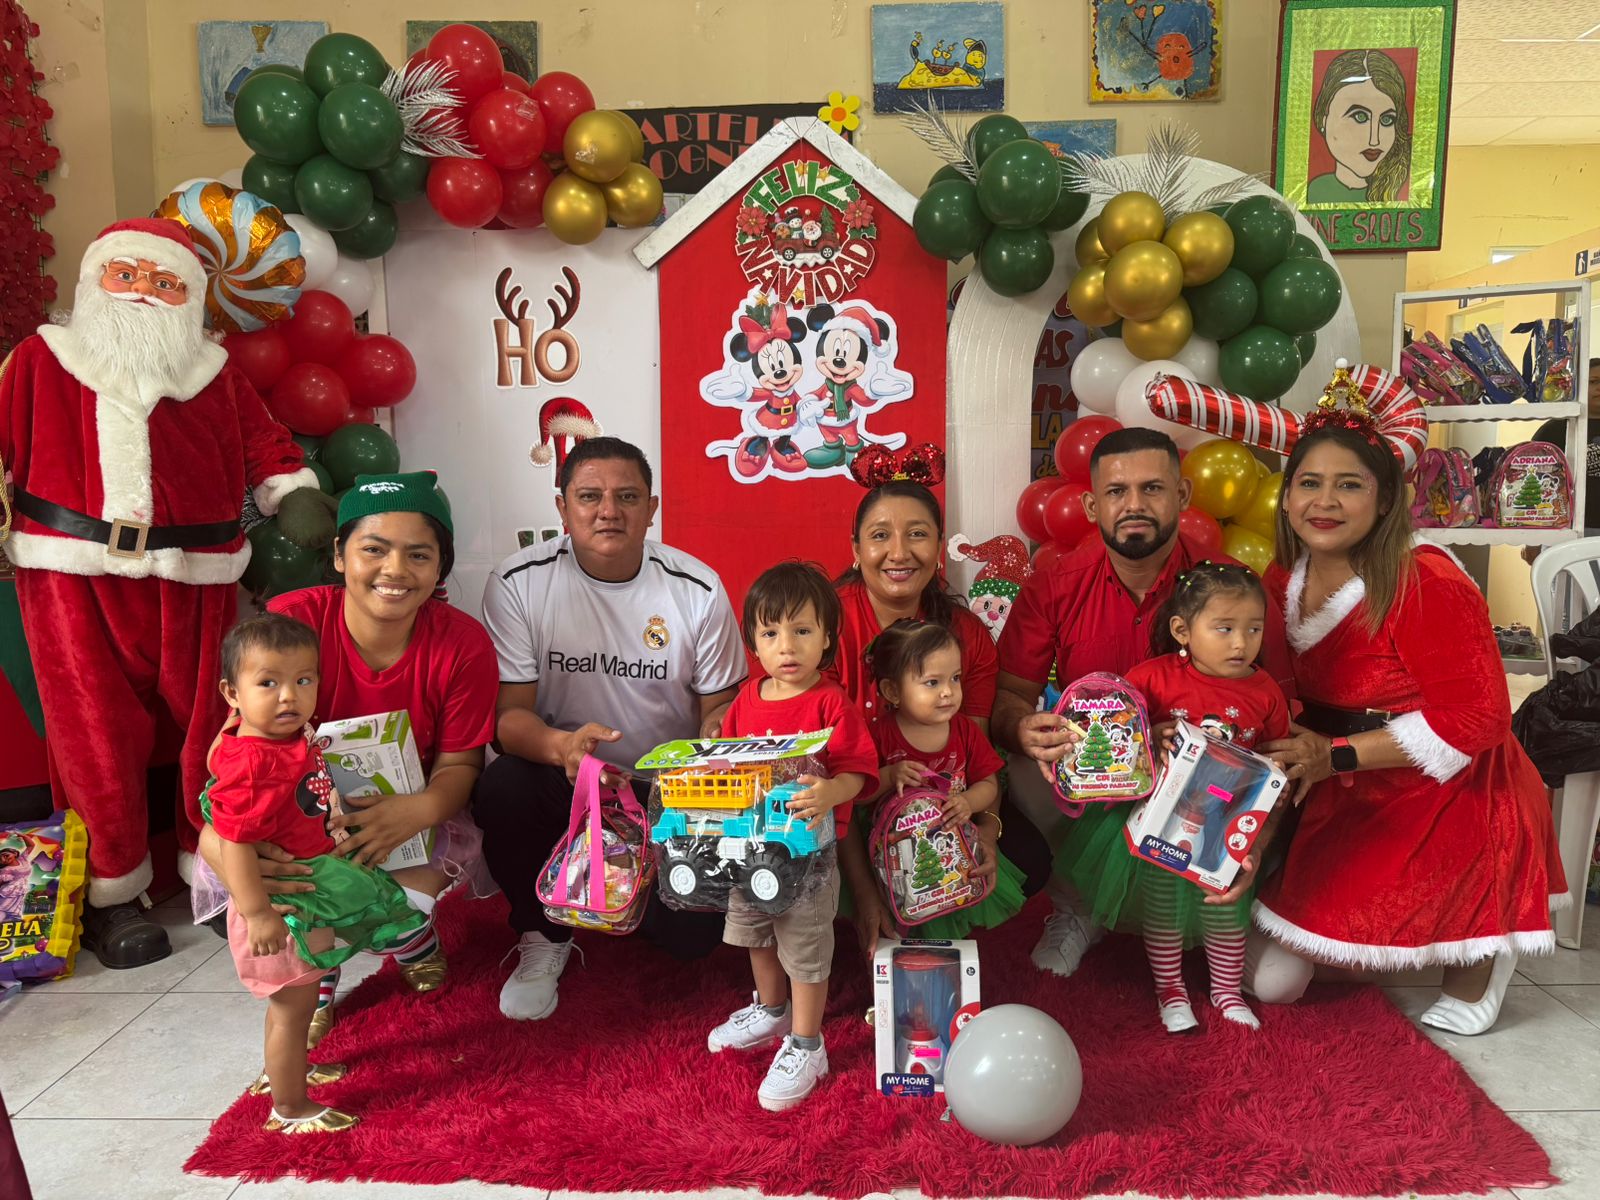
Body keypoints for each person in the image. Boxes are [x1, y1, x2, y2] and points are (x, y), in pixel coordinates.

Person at [0, 218, 315, 967]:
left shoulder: (213, 372)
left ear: (191, 298)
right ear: (95, 281)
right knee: (93, 734)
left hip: (195, 574)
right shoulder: (42, 360)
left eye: (166, 282)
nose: (144, 291)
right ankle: (111, 892)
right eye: (128, 275)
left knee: (215, 724)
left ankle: (216, 868)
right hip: (71, 574)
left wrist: (292, 489)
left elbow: (264, 443)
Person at [1249, 403, 1565, 1036]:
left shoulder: (1426, 580)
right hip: (1341, 788)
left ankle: (1488, 937)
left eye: (1349, 485)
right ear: (1286, 498)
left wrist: (1336, 755)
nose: (1325, 502)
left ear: (1387, 498)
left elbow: (1478, 718)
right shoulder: (1283, 575)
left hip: (1448, 795)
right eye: (1309, 483)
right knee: (1270, 983)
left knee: (1438, 980)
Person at [199, 471, 498, 1047]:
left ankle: (414, 943)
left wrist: (416, 812)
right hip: (292, 817)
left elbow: (460, 765)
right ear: (339, 554)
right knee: (280, 885)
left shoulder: (462, 644)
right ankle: (315, 983)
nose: (395, 570)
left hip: (409, 815)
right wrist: (244, 858)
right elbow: (232, 751)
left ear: (440, 566)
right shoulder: (289, 624)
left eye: (419, 554)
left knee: (400, 907)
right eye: (373, 549)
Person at [993, 426, 1293, 978]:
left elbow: (1279, 724)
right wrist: (1023, 729)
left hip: (1211, 785)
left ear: (1182, 495)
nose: (1134, 504)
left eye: (1152, 488)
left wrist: (1256, 836)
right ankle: (1077, 909)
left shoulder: (1235, 590)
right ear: (1092, 506)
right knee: (1026, 767)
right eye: (1116, 491)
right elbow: (1010, 695)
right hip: (1103, 771)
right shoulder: (1054, 584)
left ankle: (1217, 902)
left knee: (1278, 981)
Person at [475, 437, 746, 1021]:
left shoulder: (697, 588)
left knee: (691, 941)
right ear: (561, 507)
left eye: (627, 497)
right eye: (589, 496)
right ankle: (543, 932)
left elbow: (721, 705)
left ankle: (617, 893)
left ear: (651, 508)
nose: (608, 511)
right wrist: (565, 748)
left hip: (666, 789)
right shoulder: (518, 581)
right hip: (566, 777)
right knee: (502, 787)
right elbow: (508, 720)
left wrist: (711, 745)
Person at [207, 614, 433, 1134]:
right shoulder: (253, 764)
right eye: (268, 683)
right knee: (293, 1007)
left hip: (307, 889)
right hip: (281, 908)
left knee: (301, 997)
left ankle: (287, 1073)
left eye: (303, 680)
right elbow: (233, 842)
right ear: (232, 693)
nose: (289, 696)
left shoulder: (284, 738)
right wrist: (258, 914)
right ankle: (289, 1107)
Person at [829, 451, 1053, 956]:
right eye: (880, 535)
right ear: (856, 548)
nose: (899, 552)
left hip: (942, 803)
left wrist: (984, 836)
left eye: (917, 533)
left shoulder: (967, 635)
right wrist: (864, 892)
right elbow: (825, 774)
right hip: (847, 803)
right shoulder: (827, 628)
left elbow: (974, 756)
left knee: (1030, 858)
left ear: (938, 547)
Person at [1068, 563, 1289, 1032]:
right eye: (1224, 628)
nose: (1241, 643)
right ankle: (1170, 990)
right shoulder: (1151, 679)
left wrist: (1273, 796)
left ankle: (1227, 991)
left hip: (1227, 824)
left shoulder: (1266, 691)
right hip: (1161, 820)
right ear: (1182, 630)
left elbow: (1275, 764)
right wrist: (1152, 737)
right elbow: (1119, 745)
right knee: (1164, 904)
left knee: (1226, 905)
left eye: (1253, 629)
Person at [708, 562, 875, 1111]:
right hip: (751, 846)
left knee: (803, 946)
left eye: (802, 630)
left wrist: (831, 792)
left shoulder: (831, 703)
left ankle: (807, 1044)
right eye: (771, 632)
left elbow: (857, 771)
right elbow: (729, 763)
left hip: (809, 855)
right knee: (755, 931)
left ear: (827, 637)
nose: (787, 646)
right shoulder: (746, 699)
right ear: (752, 640)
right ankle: (771, 1011)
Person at [866, 619, 1020, 938]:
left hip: (954, 850)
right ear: (892, 690)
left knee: (951, 921)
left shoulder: (964, 731)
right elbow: (858, 794)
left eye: (955, 678)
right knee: (896, 932)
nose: (948, 691)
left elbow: (989, 784)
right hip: (895, 862)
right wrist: (889, 775)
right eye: (932, 682)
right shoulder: (879, 735)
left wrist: (968, 802)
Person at [1306, 48, 1412, 204]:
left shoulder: (1402, 192)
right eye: (1360, 117)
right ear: (1324, 118)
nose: (1374, 140)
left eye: (1387, 120)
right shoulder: (1313, 189)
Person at [1527, 356, 1600, 544]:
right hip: (1563, 530)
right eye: (1593, 381)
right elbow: (1531, 483)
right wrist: (1532, 540)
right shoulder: (1553, 430)